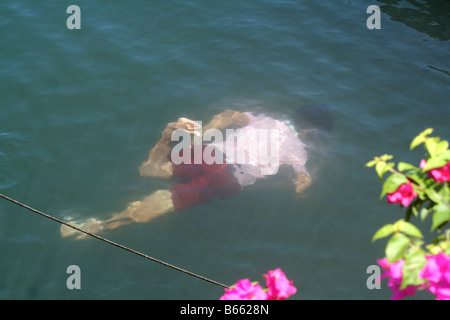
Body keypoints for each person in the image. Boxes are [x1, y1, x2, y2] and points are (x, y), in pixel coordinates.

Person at [61, 107, 332, 240]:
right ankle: (99, 225)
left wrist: (204, 132)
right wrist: (301, 193)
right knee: (170, 199)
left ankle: (169, 138)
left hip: (211, 152)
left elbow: (229, 114)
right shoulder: (299, 150)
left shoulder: (266, 120)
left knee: (151, 171)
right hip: (229, 175)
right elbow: (302, 178)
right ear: (310, 132)